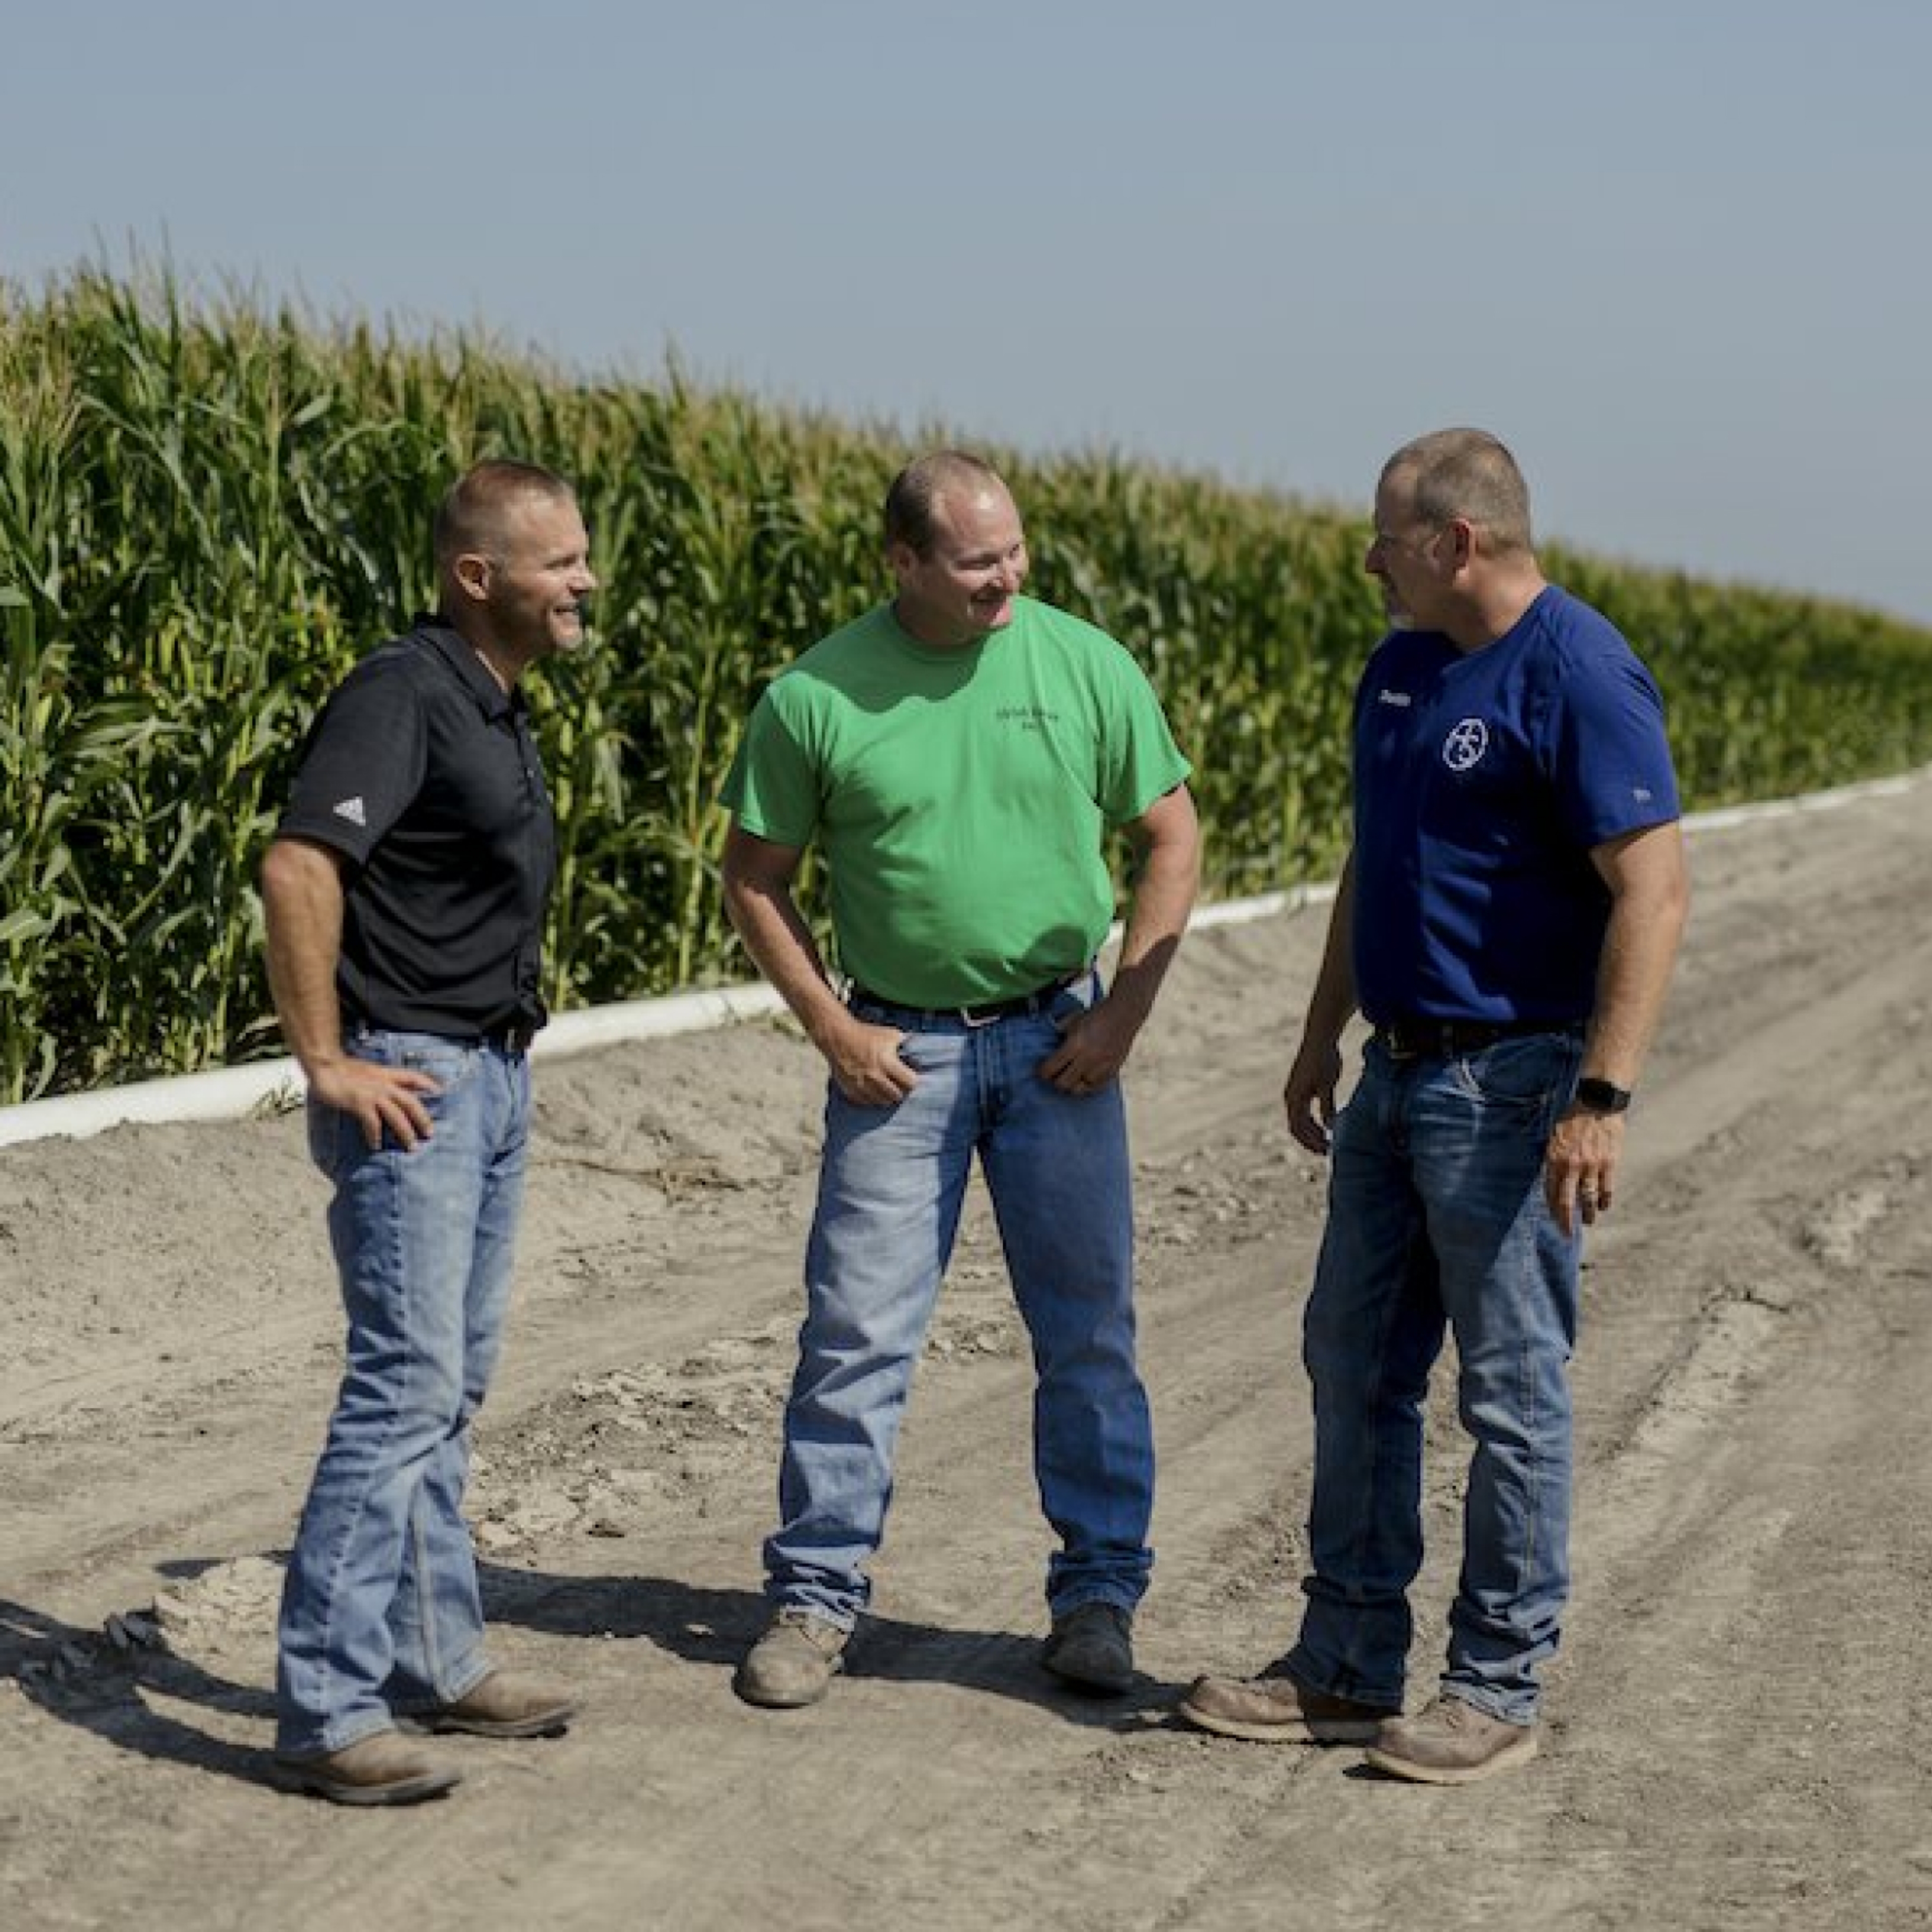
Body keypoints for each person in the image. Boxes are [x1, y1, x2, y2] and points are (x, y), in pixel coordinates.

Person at [1179, 428, 1689, 1783]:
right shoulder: (1399, 669)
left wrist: (1604, 1096)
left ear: (1458, 542)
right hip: (1398, 1073)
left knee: (1511, 1395)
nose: (1369, 562)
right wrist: (1317, 1036)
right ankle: (1345, 1665)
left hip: (1515, 1082)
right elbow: (1376, 861)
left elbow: (1653, 884)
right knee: (1351, 1368)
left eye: (1387, 539)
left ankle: (1496, 1682)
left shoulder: (1577, 669)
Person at [719, 449, 1199, 1708]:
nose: (1008, 578)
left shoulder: (1081, 661)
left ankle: (1098, 1599)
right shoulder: (818, 693)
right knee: (856, 1336)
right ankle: (817, 1600)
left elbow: (1170, 836)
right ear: (904, 562)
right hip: (900, 1056)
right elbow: (753, 877)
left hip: (1062, 1048)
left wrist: (1125, 1014)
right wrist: (833, 1027)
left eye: (1015, 552)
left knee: (1088, 1336)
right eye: (978, 560)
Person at [261, 459, 595, 1805]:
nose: (584, 584)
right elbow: (297, 864)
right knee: (401, 1388)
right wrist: (324, 1061)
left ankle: (437, 1661)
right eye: (560, 563)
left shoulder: (490, 703)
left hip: (489, 1075)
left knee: (445, 1388)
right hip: (412, 1079)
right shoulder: (402, 690)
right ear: (478, 576)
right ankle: (327, 1709)